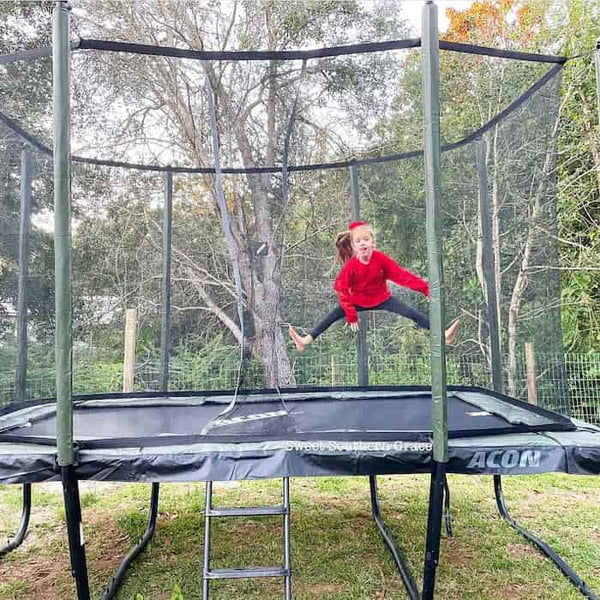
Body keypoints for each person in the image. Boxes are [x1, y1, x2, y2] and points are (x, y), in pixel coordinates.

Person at [288, 221, 460, 352]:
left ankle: (443, 336)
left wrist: (425, 288)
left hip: (381, 298)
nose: (362, 243)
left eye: (366, 239)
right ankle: (305, 341)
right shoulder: (351, 266)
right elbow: (341, 288)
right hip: (356, 300)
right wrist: (350, 313)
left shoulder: (381, 259)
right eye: (358, 241)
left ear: (372, 243)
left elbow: (402, 276)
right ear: (354, 247)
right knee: (332, 315)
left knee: (410, 312)